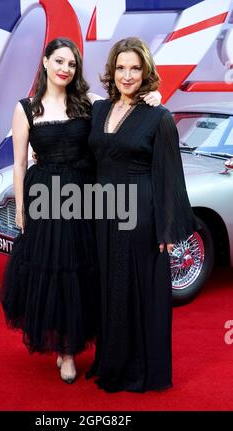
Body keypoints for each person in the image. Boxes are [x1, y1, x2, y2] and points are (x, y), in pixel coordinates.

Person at [0, 37, 162, 385]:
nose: (65, 69)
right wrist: (22, 209)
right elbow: (17, 165)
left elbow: (126, 107)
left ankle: (70, 350)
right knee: (53, 275)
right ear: (45, 63)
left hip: (85, 199)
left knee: (81, 274)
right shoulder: (26, 108)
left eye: (71, 64)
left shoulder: (90, 103)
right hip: (44, 199)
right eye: (59, 61)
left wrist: (155, 97)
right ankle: (64, 350)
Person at [86, 37, 199, 392]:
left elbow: (169, 175)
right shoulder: (100, 110)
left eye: (135, 68)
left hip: (139, 214)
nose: (127, 75)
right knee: (108, 286)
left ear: (146, 71)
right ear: (112, 71)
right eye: (121, 67)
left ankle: (136, 370)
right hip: (102, 211)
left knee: (134, 287)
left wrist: (168, 230)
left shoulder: (159, 116)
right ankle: (110, 361)